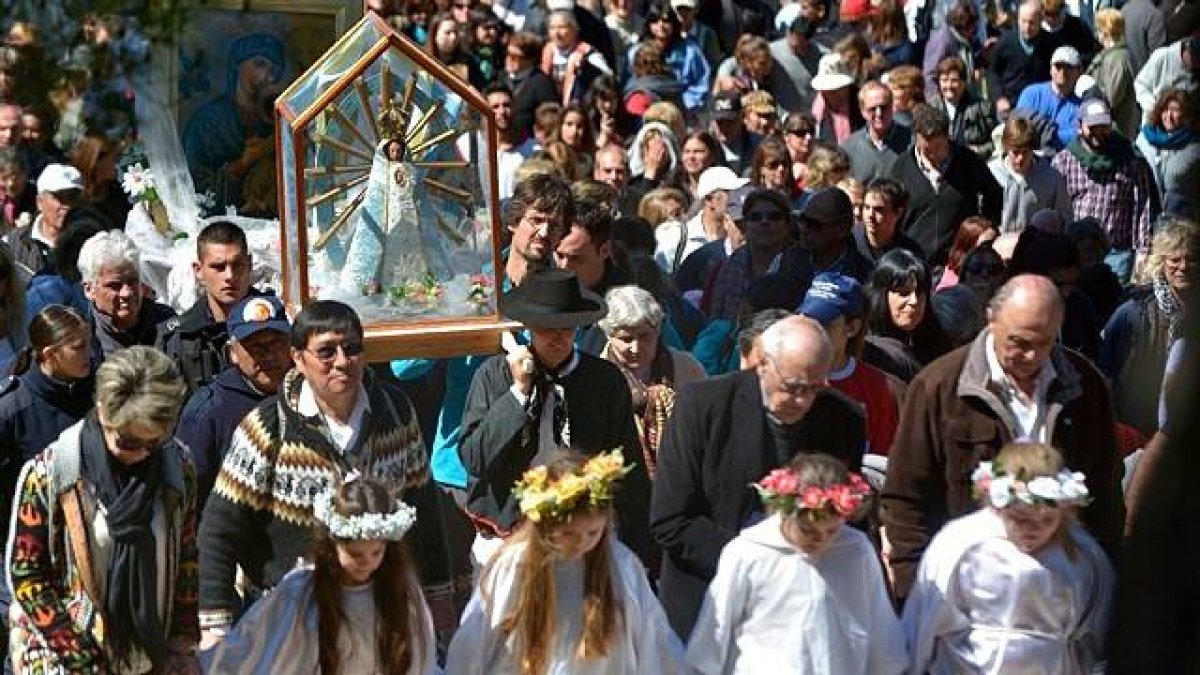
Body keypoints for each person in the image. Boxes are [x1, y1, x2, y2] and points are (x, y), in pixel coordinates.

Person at [198, 300, 452, 648]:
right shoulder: (266, 427)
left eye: (351, 349)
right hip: (289, 618)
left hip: (380, 610)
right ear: (298, 359)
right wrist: (214, 623)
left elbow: (423, 509)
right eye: (326, 352)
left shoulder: (395, 411)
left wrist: (439, 594)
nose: (342, 362)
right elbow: (219, 526)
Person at [881, 274, 1124, 601]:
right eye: (1019, 342)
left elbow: (1105, 492)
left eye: (1045, 343)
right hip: (963, 587)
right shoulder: (939, 386)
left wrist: (1101, 583)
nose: (1033, 356)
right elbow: (905, 496)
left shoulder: (1085, 386)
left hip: (1059, 590)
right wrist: (916, 587)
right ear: (991, 320)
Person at [651, 315, 866, 638]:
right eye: (793, 387)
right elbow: (671, 519)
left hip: (802, 606)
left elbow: (843, 513)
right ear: (763, 364)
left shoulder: (842, 417)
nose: (803, 401)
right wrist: (761, 564)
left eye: (815, 388)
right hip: (708, 599)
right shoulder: (703, 406)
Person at [6, 346, 198, 673]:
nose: (140, 455)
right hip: (64, 657)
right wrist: (80, 658)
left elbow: (187, 557)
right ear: (102, 413)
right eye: (128, 442)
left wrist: (181, 644)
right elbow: (27, 575)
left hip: (148, 655)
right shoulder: (52, 473)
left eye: (152, 443)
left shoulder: (176, 465)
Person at [458, 269, 653, 565]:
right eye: (547, 328)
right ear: (530, 327)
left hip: (583, 533)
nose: (558, 337)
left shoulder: (603, 380)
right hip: (510, 532)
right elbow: (475, 458)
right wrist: (520, 392)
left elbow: (627, 465)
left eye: (567, 327)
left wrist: (641, 547)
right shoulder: (493, 376)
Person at [445, 450, 685, 673]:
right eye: (569, 534)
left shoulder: (621, 567)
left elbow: (656, 642)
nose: (581, 543)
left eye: (593, 533)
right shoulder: (513, 567)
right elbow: (471, 647)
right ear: (545, 526)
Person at [902, 443, 1115, 673]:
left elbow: (1098, 627)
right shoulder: (963, 543)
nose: (1034, 529)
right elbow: (924, 620)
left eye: (1047, 520)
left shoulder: (1082, 554)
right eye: (1021, 518)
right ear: (997, 506)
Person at [686, 455, 907, 674]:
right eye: (808, 530)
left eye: (831, 531)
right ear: (784, 513)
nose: (821, 540)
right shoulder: (748, 553)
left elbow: (881, 629)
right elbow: (715, 629)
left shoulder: (855, 551)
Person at [201, 476, 438, 674]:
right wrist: (209, 658)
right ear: (333, 545)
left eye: (377, 552)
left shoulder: (400, 592)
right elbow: (256, 645)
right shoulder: (302, 592)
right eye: (355, 554)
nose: (367, 562)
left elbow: (419, 658)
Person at [175, 294, 292, 510]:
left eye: (276, 343)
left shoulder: (308, 393)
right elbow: (190, 494)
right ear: (233, 353)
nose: (268, 355)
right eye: (255, 347)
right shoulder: (209, 410)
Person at [0, 304, 91, 534]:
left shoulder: (96, 393)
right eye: (78, 347)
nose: (88, 354)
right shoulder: (12, 410)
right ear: (50, 354)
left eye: (88, 344)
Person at [1100, 219, 1197, 436]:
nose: (1183, 267)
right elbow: (1108, 372)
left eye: (1191, 259)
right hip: (1139, 426)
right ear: (1162, 262)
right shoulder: (1133, 313)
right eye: (1174, 259)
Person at [598, 285, 706, 475]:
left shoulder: (687, 368)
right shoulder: (597, 376)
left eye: (644, 336)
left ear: (657, 330)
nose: (635, 348)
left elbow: (707, 425)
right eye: (625, 338)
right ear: (608, 335)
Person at [1052, 97, 1158, 285]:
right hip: (1076, 251)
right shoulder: (1064, 161)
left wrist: (1143, 251)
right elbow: (1055, 209)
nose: (1098, 132)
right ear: (1080, 126)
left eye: (1103, 126)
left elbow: (1143, 207)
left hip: (1117, 252)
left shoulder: (1130, 159)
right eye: (1092, 126)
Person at [799, 273, 901, 456]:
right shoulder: (786, 374)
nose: (812, 331)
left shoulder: (878, 388)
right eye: (806, 320)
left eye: (824, 324)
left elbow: (881, 457)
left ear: (852, 328)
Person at [890, 103, 1001, 267]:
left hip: (959, 261)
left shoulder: (968, 162)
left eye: (939, 148)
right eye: (927, 150)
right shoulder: (900, 169)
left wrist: (987, 227)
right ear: (916, 138)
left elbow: (995, 195)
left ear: (947, 136)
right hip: (915, 262)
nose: (934, 155)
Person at [156, 220, 256, 395]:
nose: (229, 276)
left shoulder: (278, 326)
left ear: (249, 264)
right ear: (198, 270)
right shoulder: (177, 339)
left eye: (237, 265)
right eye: (218, 267)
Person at [79, 229, 176, 360]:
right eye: (115, 286)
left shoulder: (167, 322)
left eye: (132, 281)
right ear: (89, 289)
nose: (127, 293)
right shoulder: (83, 339)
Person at [862, 248, 953, 382]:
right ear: (882, 296)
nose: (914, 301)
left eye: (920, 293)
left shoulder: (937, 342)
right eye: (904, 293)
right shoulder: (865, 349)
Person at [990, 115, 1074, 233]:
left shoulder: (1051, 178)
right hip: (998, 245)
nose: (1020, 158)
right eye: (1015, 152)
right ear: (1006, 148)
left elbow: (1065, 218)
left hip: (1036, 247)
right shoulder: (992, 173)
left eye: (1025, 152)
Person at [5, 162, 81, 278]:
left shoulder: (91, 244)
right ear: (40, 202)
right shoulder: (13, 244)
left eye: (72, 197)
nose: (67, 205)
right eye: (60, 197)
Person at [1134, 88, 1200, 208]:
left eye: (1175, 110)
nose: (1168, 116)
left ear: (1186, 114)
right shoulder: (1144, 139)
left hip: (1182, 218)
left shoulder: (1194, 146)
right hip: (1147, 213)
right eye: (1164, 110)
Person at [1015, 46, 1085, 151]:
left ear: (1079, 71)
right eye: (1058, 66)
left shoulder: (1083, 103)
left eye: (1068, 67)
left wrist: (1043, 134)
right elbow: (1019, 128)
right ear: (1050, 70)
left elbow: (1078, 138)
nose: (1062, 71)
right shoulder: (1031, 93)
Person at [843, 80, 911, 184]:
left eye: (884, 107)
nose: (879, 113)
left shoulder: (911, 141)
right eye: (872, 109)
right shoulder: (849, 147)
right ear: (862, 111)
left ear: (892, 106)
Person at [1087, 9, 1140, 139]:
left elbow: (1112, 98)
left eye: (1098, 29)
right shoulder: (1110, 55)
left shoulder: (1118, 58)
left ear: (1105, 31)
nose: (1096, 33)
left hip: (1114, 129)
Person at [930, 56, 996, 160]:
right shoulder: (930, 108)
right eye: (944, 80)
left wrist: (978, 151)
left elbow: (997, 141)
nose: (949, 86)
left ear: (964, 82)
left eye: (954, 80)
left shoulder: (982, 107)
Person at [854, 177, 922, 264]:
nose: (870, 215)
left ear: (898, 213)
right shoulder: (848, 243)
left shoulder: (910, 253)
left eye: (878, 210)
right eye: (867, 207)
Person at [1134, 37, 1198, 120]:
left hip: (1180, 125)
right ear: (1186, 49)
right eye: (1192, 59)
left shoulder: (1195, 73)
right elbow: (1140, 84)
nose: (1193, 65)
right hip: (1153, 118)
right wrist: (1155, 108)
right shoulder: (1162, 56)